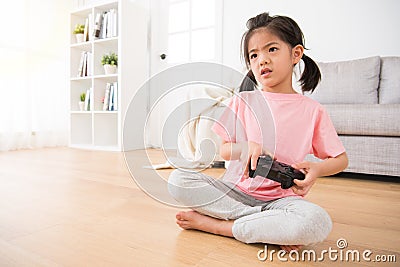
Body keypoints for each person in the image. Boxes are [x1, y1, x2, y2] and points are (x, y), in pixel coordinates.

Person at [168, 12, 348, 252]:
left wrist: (317, 168)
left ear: (296, 54)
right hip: (234, 192)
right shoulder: (243, 101)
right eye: (254, 55)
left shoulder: (313, 110)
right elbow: (223, 150)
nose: (262, 60)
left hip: (282, 201)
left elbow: (340, 160)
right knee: (178, 180)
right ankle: (264, 226)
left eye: (271, 49)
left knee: (317, 222)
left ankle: (221, 226)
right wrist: (245, 148)